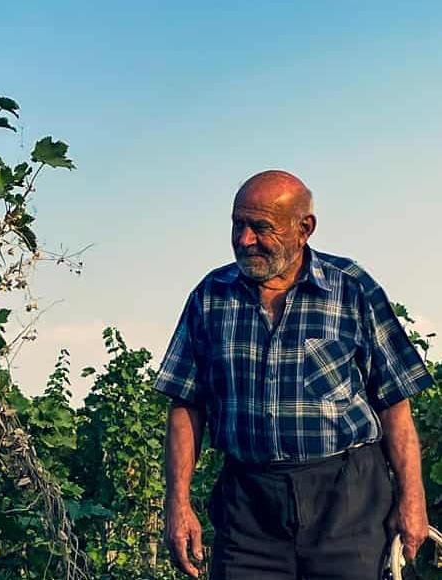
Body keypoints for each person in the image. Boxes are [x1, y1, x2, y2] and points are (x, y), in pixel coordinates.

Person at [153, 170, 434, 579]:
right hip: (248, 507)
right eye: (238, 225)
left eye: (261, 227)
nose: (244, 240)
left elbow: (394, 404)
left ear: (305, 228)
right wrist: (177, 505)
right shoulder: (211, 296)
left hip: (348, 501)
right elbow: (186, 404)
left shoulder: (351, 289)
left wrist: (413, 499)